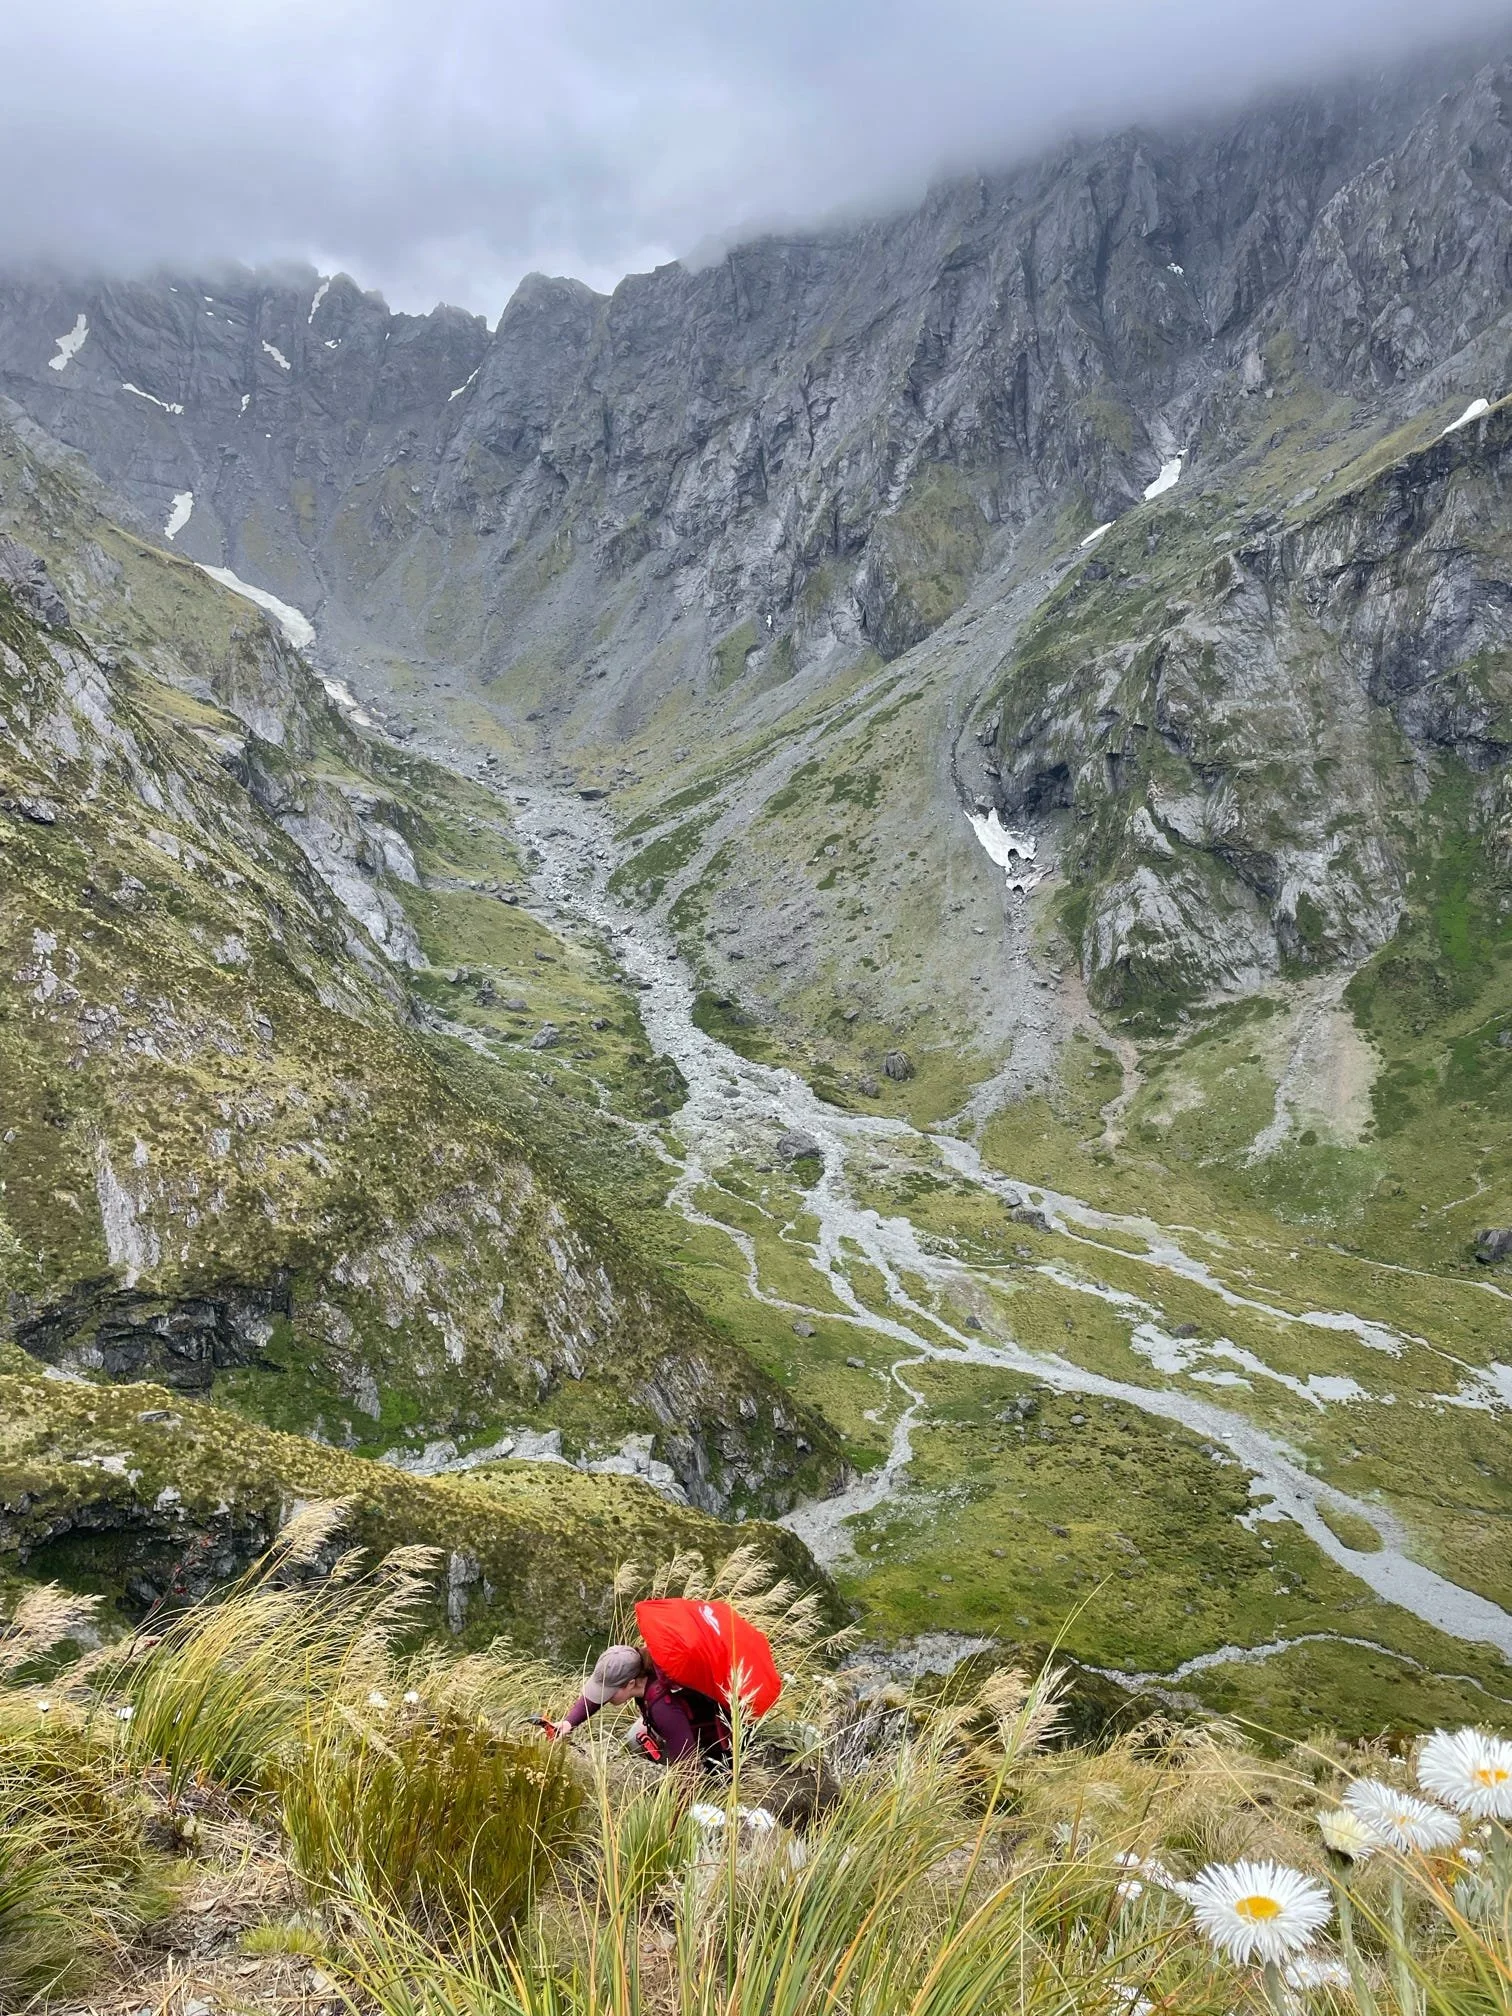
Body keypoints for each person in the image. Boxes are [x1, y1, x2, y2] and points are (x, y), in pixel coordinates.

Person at [547, 1642, 731, 1766]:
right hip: (681, 1726)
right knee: (636, 1737)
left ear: (630, 1683)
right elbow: (597, 1697)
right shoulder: (643, 1666)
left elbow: (688, 1767)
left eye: (609, 1692)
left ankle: (711, 1778)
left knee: (644, 1742)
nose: (604, 1697)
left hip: (715, 1748)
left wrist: (671, 1807)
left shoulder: (663, 1708)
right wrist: (569, 1723)